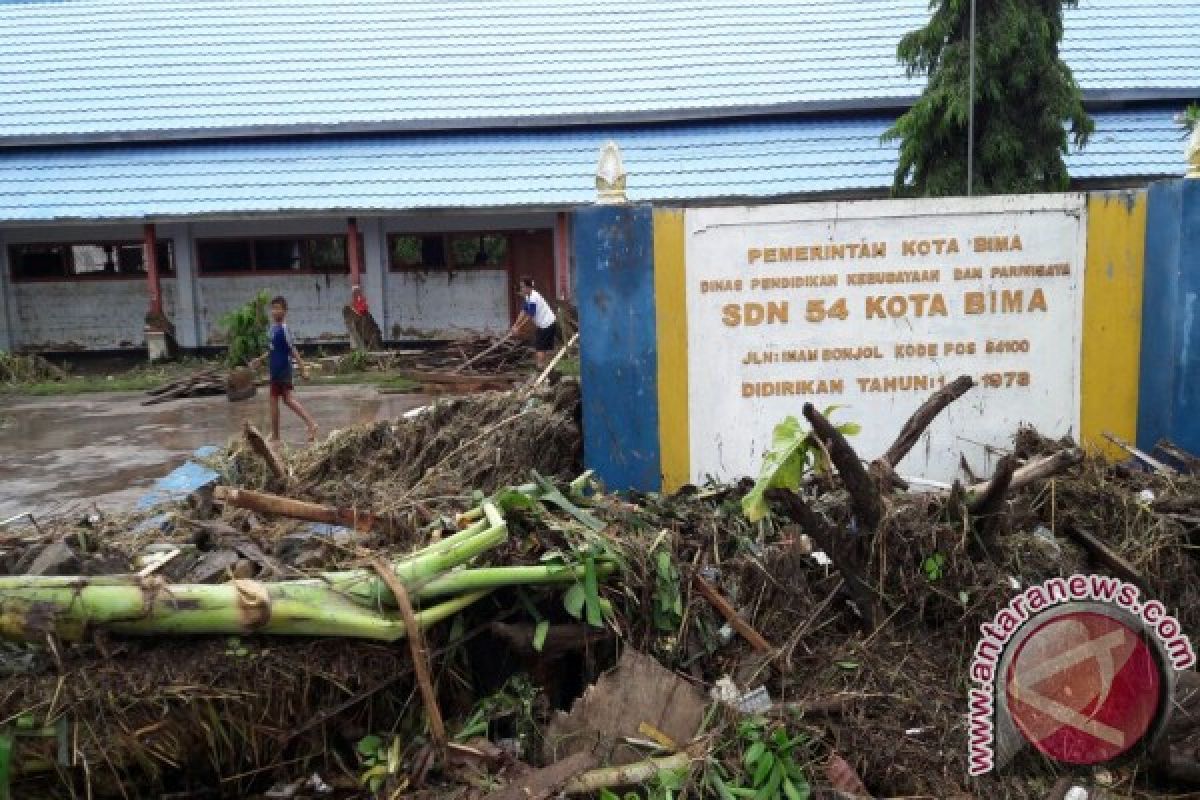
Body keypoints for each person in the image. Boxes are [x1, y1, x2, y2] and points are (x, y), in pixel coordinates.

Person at [250, 296, 319, 443]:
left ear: (285, 311)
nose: (275, 311)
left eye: (278, 308)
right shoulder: (272, 329)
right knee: (285, 400)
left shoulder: (284, 328)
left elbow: (292, 349)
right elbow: (272, 349)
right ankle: (309, 424)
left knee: (279, 400)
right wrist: (260, 360)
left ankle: (281, 434)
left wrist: (303, 368)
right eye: (273, 308)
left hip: (282, 369)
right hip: (275, 368)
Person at [510, 277, 558, 368]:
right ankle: (545, 368)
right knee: (542, 347)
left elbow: (530, 315)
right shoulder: (528, 297)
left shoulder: (533, 298)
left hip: (547, 324)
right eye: (521, 287)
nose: (522, 289)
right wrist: (515, 325)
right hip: (543, 324)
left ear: (529, 287)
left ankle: (541, 368)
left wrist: (518, 327)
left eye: (523, 287)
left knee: (540, 347)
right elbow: (523, 311)